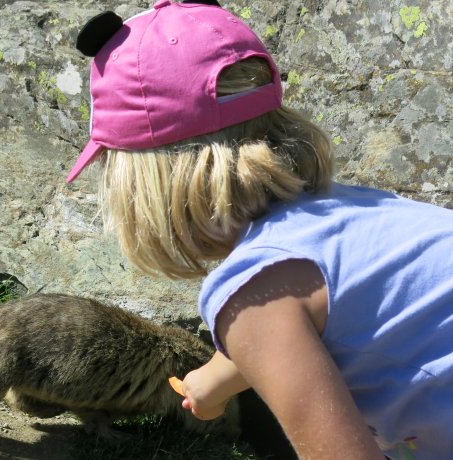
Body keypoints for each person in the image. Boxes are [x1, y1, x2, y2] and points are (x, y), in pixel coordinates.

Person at [67, 1, 453, 458]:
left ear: (146, 187)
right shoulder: (356, 216)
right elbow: (316, 320)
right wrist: (212, 383)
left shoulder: (252, 296)